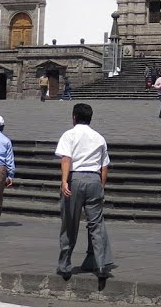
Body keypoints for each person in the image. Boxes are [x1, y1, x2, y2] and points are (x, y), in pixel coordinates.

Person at [56, 103, 114, 281]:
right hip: (94, 180)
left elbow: (67, 158)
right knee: (96, 225)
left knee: (70, 224)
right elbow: (104, 167)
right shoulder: (99, 138)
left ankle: (65, 265)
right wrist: (100, 186)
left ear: (74, 117)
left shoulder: (69, 134)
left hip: (76, 179)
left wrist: (64, 181)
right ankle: (102, 264)